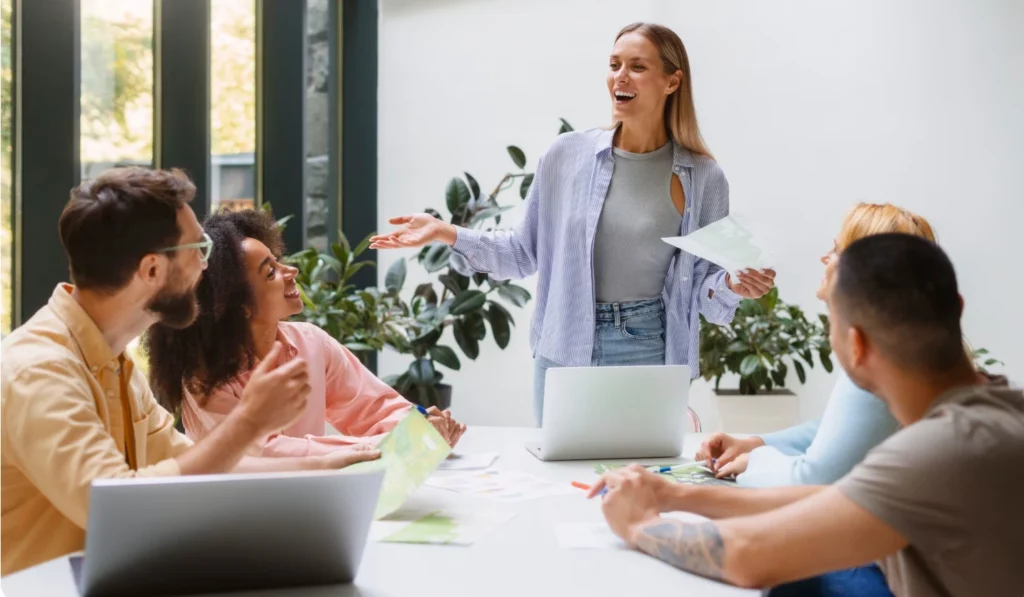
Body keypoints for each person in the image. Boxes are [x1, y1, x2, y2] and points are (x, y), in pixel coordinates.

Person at [370, 22, 776, 423]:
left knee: (642, 478)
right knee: (562, 476)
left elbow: (705, 289)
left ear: (672, 82)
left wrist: (732, 284)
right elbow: (522, 253)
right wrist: (448, 233)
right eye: (614, 64)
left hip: (648, 346)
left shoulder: (703, 177)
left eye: (637, 66)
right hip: (563, 342)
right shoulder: (566, 156)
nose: (620, 75)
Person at [590, 233, 1024, 597]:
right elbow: (838, 499)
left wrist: (639, 525)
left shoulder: (941, 450)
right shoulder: (995, 407)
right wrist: (676, 495)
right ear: (958, 308)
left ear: (857, 345)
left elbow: (747, 557)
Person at [0, 168, 379, 576]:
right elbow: (113, 504)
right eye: (198, 247)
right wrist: (249, 423)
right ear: (150, 270)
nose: (204, 265)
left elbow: (195, 464)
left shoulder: (116, 365)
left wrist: (338, 465)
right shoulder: (39, 372)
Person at [145, 209, 466, 456]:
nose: (291, 271)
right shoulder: (205, 375)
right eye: (271, 271)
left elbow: (374, 407)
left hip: (315, 498)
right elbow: (268, 454)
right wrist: (387, 444)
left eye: (279, 261)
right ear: (239, 304)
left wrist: (421, 426)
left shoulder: (310, 341)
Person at [695, 203, 936, 485]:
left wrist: (753, 463)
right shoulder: (905, 347)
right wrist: (755, 444)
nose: (825, 258)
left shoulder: (880, 358)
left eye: (836, 250)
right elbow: (836, 431)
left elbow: (814, 478)